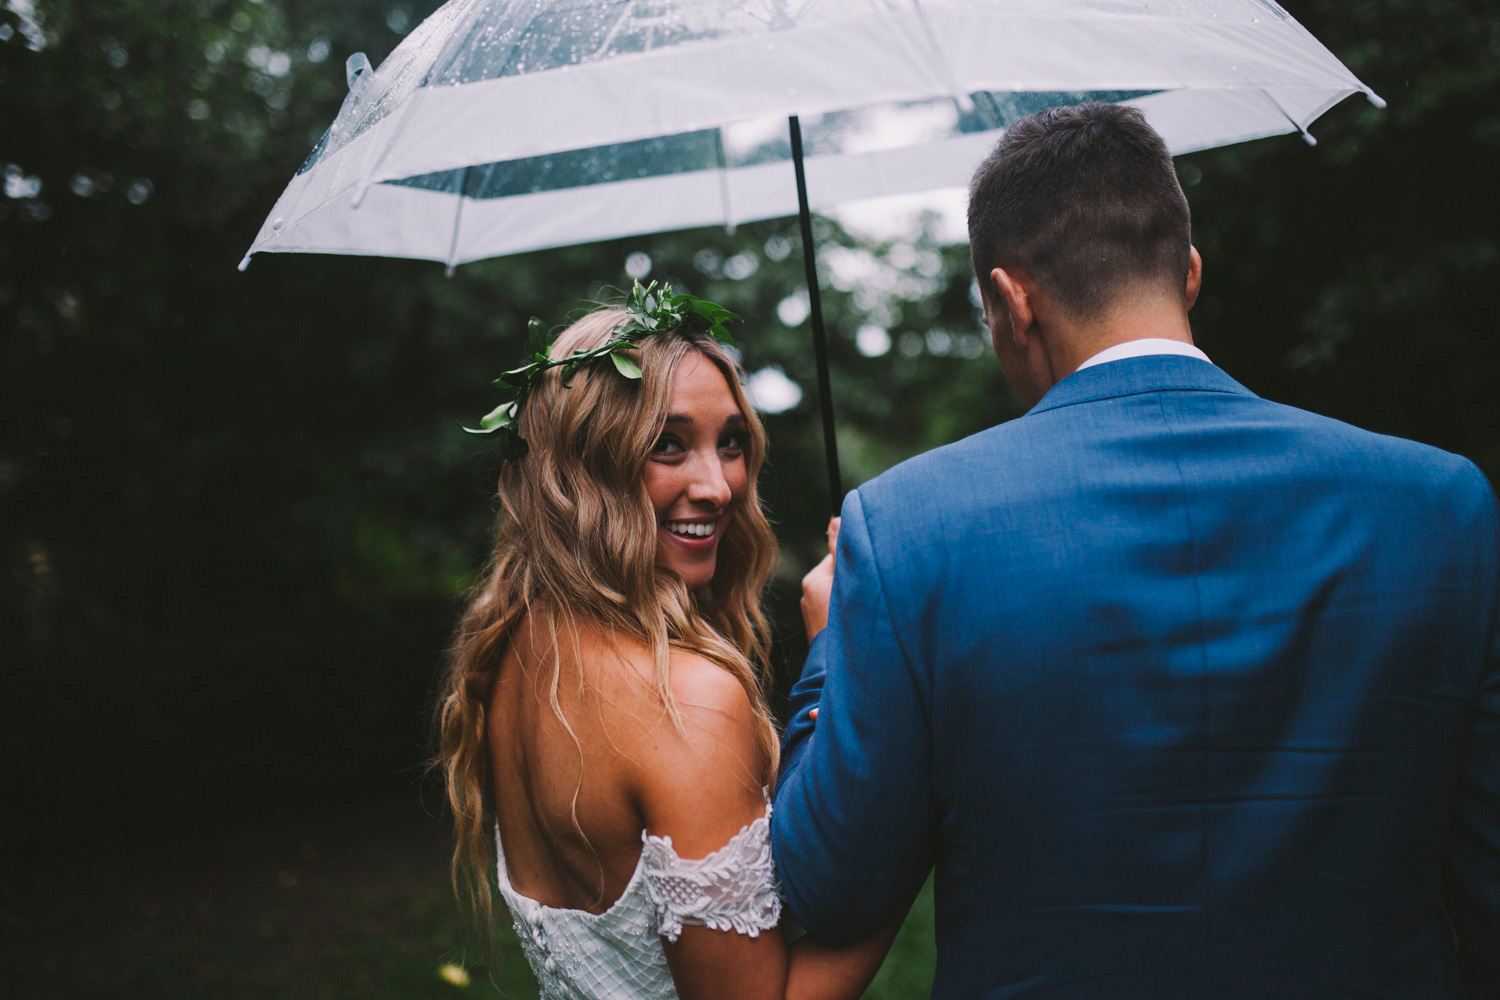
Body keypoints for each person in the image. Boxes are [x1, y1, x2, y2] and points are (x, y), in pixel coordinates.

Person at [774, 102, 1500, 997]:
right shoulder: (1443, 507)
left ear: (1010, 301)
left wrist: (823, 655)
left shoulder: (910, 526)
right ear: (1188, 274)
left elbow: (827, 888)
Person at [435, 297, 898, 1000]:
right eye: (668, 444)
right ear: (582, 467)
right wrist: (913, 826)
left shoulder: (518, 647)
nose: (719, 488)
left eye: (732, 442)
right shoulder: (687, 701)